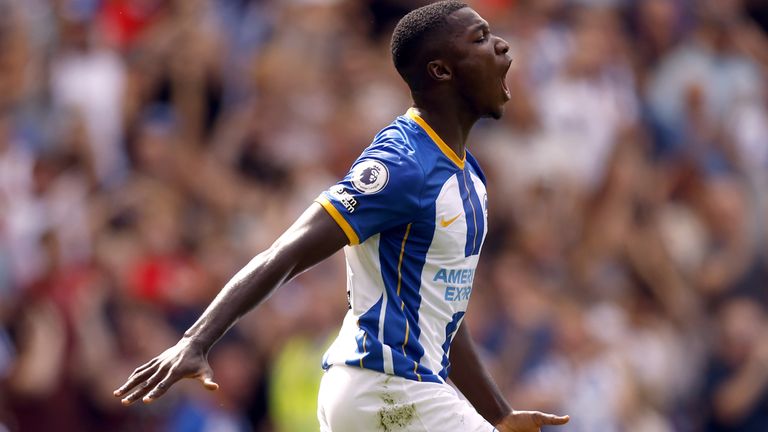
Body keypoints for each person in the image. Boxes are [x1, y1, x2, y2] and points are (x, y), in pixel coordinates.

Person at [113, 2, 571, 431]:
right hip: (383, 386)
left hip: (400, 392)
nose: (502, 45)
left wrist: (500, 415)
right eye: (480, 38)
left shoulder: (470, 177)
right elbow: (287, 251)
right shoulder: (401, 164)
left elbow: (441, 319)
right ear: (441, 70)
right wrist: (197, 339)